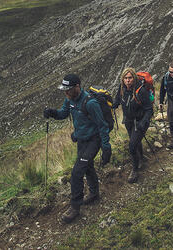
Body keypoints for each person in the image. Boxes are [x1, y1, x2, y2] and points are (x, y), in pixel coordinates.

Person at [43, 74, 111, 223]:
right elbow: (63, 113)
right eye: (64, 90)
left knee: (76, 172)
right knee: (87, 167)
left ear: (77, 87)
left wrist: (106, 147)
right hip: (81, 140)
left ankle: (75, 207)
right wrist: (52, 113)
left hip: (94, 140)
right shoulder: (70, 100)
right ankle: (94, 193)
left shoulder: (90, 103)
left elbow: (102, 126)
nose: (66, 93)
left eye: (68, 90)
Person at [112, 67, 153, 183]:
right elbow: (117, 101)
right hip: (129, 122)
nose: (128, 80)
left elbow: (149, 109)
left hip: (140, 122)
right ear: (122, 79)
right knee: (135, 142)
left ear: (134, 78)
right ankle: (141, 159)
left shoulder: (141, 91)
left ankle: (134, 170)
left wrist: (144, 122)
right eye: (125, 78)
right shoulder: (121, 89)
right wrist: (111, 105)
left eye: (130, 78)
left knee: (131, 146)